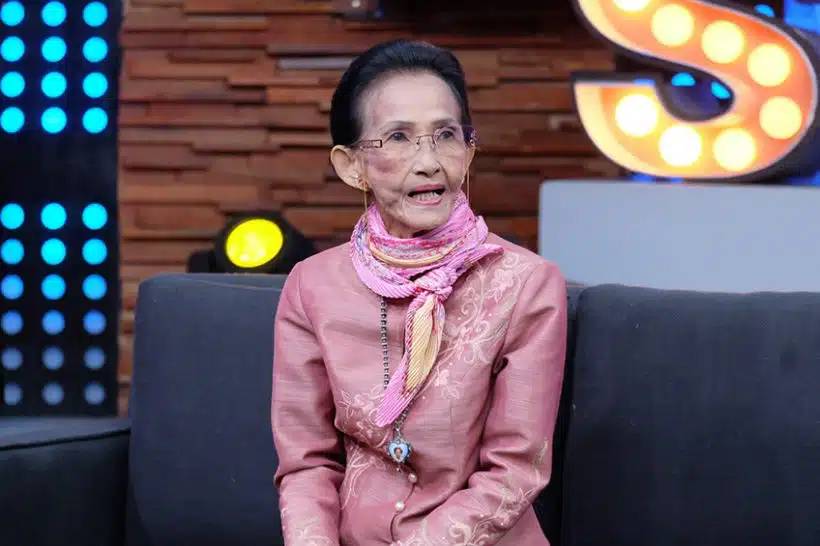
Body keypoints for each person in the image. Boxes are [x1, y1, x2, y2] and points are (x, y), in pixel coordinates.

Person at [271, 39, 567, 545]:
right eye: (399, 137)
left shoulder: (526, 284)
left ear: (468, 151)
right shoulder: (312, 286)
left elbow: (515, 473)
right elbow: (307, 464)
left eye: (446, 135)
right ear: (351, 166)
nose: (429, 161)